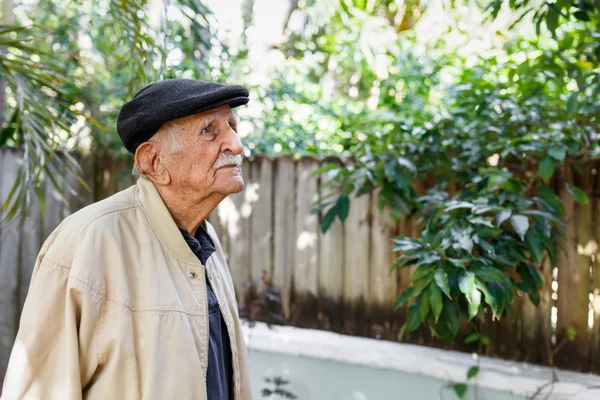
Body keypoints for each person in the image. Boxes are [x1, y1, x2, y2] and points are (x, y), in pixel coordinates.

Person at [2, 79, 253, 399]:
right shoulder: (89, 240)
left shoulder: (205, 241)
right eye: (209, 130)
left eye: (232, 126)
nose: (236, 144)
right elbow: (39, 387)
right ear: (153, 162)